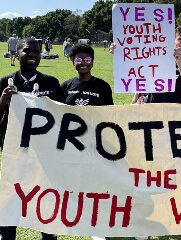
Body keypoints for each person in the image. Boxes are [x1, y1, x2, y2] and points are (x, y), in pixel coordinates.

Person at [110, 25, 181, 240]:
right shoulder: (157, 58)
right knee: (143, 170)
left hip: (174, 127)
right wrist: (121, 53)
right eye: (180, 39)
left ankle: (166, 215)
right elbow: (136, 72)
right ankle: (143, 217)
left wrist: (180, 63)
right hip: (148, 122)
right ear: (174, 40)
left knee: (168, 173)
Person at [0, 37, 63, 240]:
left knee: (46, 197)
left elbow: (64, 119)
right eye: (28, 51)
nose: (33, 55)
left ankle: (48, 236)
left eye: (36, 52)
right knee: (11, 197)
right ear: (17, 53)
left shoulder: (51, 83)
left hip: (44, 154)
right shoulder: (5, 82)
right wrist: (3, 100)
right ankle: (7, 236)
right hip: (14, 153)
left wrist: (47, 106)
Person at [61, 43, 113, 240]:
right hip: (72, 146)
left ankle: (99, 224)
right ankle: (85, 221)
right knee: (78, 184)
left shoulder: (102, 86)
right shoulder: (65, 86)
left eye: (87, 59)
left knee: (97, 185)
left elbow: (109, 116)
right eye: (79, 59)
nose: (83, 63)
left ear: (93, 62)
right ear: (73, 62)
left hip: (96, 145)